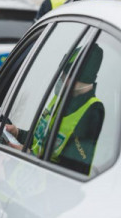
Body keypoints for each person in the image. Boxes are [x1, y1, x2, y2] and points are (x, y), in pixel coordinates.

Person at [6, 44, 105, 175]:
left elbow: (72, 170)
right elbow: (40, 140)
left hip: (50, 190)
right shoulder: (60, 99)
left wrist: (29, 156)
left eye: (64, 74)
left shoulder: (92, 112)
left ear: (75, 78)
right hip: (28, 182)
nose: (61, 79)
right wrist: (18, 133)